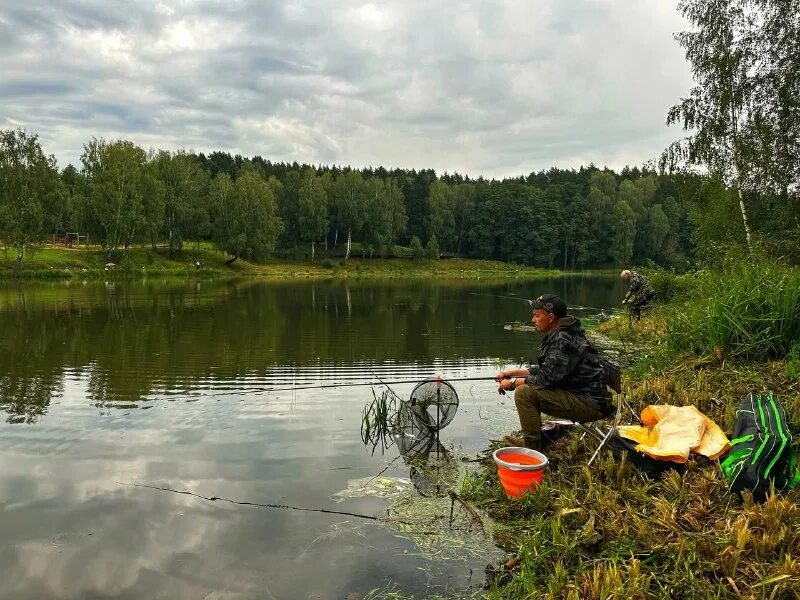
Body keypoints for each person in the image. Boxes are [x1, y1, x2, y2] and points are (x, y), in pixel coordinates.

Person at [496, 294, 613, 450]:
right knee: (526, 388)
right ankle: (533, 441)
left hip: (590, 405)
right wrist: (515, 372)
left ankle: (531, 448)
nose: (533, 320)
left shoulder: (562, 339)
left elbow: (546, 379)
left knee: (524, 393)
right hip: (589, 398)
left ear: (550, 317)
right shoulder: (565, 332)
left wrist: (512, 383)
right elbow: (551, 370)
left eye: (537, 316)